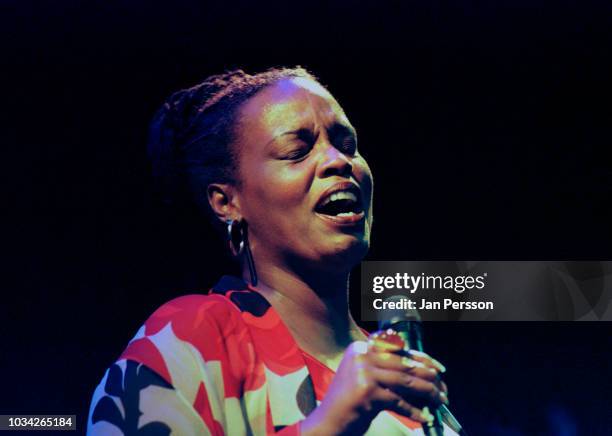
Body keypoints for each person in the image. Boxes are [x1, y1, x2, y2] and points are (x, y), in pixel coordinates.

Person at [87, 67, 454, 435]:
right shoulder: (191, 338)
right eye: (296, 151)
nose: (339, 161)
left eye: (347, 145)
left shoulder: (404, 380)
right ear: (226, 202)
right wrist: (332, 424)